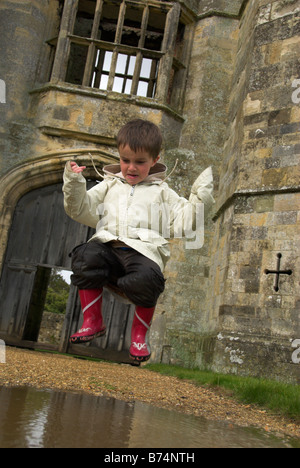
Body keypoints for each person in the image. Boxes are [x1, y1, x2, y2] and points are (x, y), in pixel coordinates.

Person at [63, 119, 214, 362]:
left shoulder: (163, 192)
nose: (131, 168)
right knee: (85, 254)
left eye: (140, 162)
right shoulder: (109, 185)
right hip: (108, 248)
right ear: (119, 156)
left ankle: (139, 336)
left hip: (142, 253)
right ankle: (92, 320)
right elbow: (81, 208)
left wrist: (200, 199)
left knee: (149, 277)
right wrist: (73, 183)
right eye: (125, 160)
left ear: (155, 160)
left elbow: (185, 222)